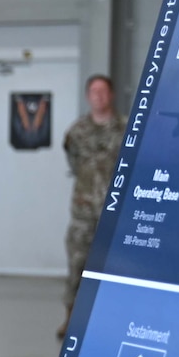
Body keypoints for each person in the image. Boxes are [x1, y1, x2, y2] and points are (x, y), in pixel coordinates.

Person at [61, 74, 125, 337]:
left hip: (117, 211)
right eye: (94, 92)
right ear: (88, 96)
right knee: (78, 264)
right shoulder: (76, 132)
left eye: (103, 91)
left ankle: (115, 320)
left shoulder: (127, 127)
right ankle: (72, 319)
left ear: (111, 95)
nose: (98, 96)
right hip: (84, 212)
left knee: (119, 266)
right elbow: (74, 163)